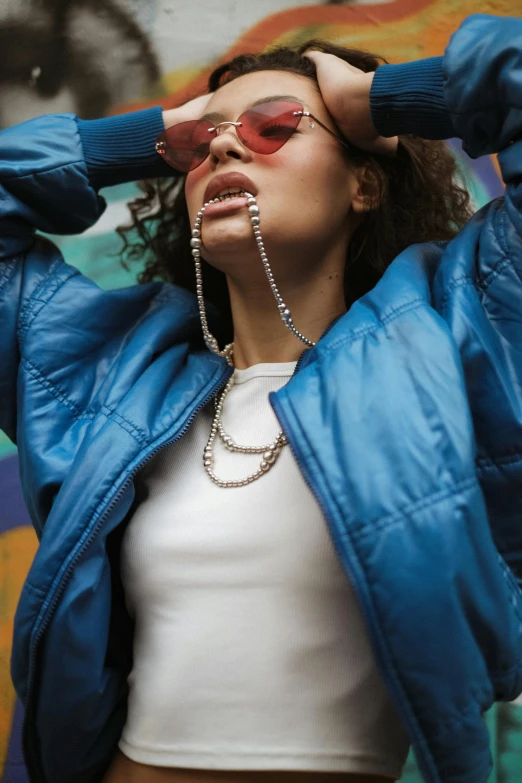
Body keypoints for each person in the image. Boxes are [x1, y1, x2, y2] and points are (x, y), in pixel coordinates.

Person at [1, 11, 521, 783]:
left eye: (276, 124)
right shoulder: (109, 375)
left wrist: (382, 99)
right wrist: (157, 130)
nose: (224, 143)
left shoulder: (456, 339)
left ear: (365, 183)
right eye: (198, 145)